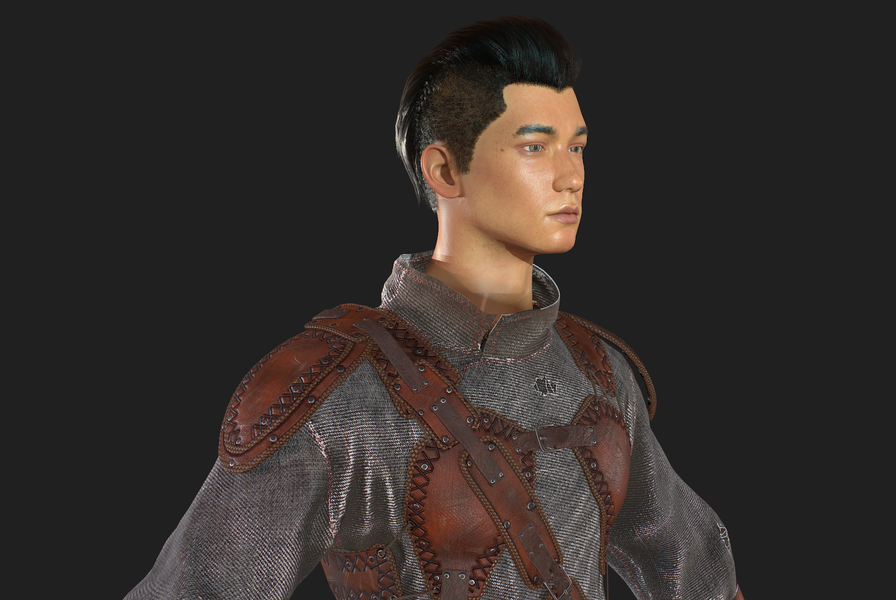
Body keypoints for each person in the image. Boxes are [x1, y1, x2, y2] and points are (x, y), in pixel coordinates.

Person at [126, 15, 740, 600]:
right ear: (445, 169)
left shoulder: (599, 370)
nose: (571, 177)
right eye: (535, 147)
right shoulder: (337, 393)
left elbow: (691, 562)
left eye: (577, 148)